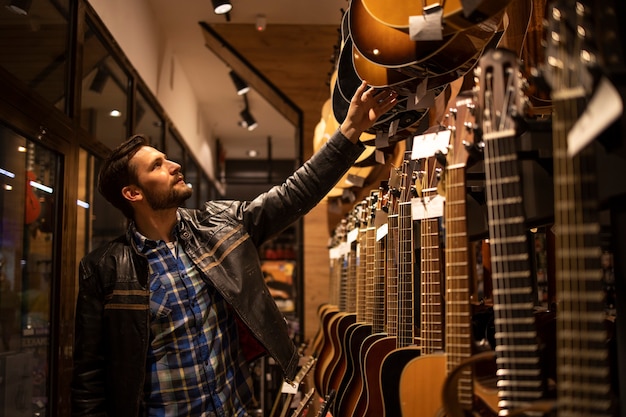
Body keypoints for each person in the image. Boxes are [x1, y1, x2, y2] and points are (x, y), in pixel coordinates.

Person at [70, 81, 397, 417]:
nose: (173, 165)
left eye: (166, 159)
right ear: (133, 194)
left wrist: (352, 129)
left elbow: (293, 194)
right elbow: (88, 377)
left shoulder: (218, 225)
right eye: (156, 166)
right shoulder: (105, 270)